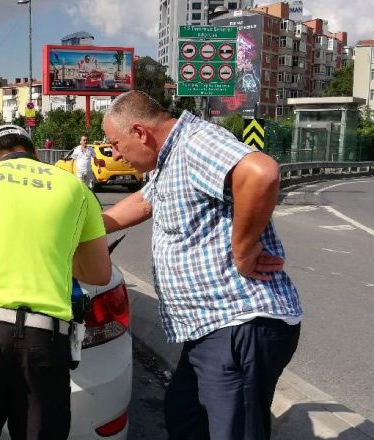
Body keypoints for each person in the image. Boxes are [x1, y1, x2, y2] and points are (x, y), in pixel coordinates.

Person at [100, 91, 302, 440]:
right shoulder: (168, 160)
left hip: (237, 323)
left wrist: (243, 250)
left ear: (140, 132)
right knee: (184, 418)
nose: (115, 154)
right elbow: (146, 201)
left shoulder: (195, 143)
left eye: (115, 144)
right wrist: (85, 227)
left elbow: (261, 173)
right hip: (207, 330)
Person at [0, 124, 111, 439]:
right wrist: (54, 252)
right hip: (44, 340)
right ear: (34, 152)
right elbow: (100, 273)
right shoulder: (75, 188)